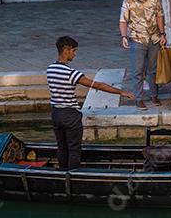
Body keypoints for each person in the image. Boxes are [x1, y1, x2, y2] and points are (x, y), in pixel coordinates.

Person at [47, 35, 132, 170]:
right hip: (70, 115)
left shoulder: (50, 69)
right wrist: (120, 92)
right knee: (74, 149)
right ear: (66, 50)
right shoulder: (71, 73)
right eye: (74, 51)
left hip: (56, 114)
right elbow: (97, 85)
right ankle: (73, 177)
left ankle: (63, 175)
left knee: (62, 147)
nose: (75, 54)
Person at [119, 0, 166, 109]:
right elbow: (123, 20)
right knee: (138, 71)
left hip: (154, 38)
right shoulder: (128, 1)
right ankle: (139, 98)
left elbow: (159, 16)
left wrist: (162, 34)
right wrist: (123, 36)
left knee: (154, 70)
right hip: (137, 39)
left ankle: (154, 95)